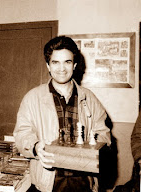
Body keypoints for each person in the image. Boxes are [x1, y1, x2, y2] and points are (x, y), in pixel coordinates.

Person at [13, 36, 111, 192]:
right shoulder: (32, 98)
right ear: (48, 66)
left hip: (83, 179)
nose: (62, 69)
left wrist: (95, 147)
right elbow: (22, 134)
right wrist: (36, 147)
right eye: (55, 62)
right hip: (49, 179)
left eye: (67, 62)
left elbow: (104, 134)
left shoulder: (90, 98)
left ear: (75, 65)